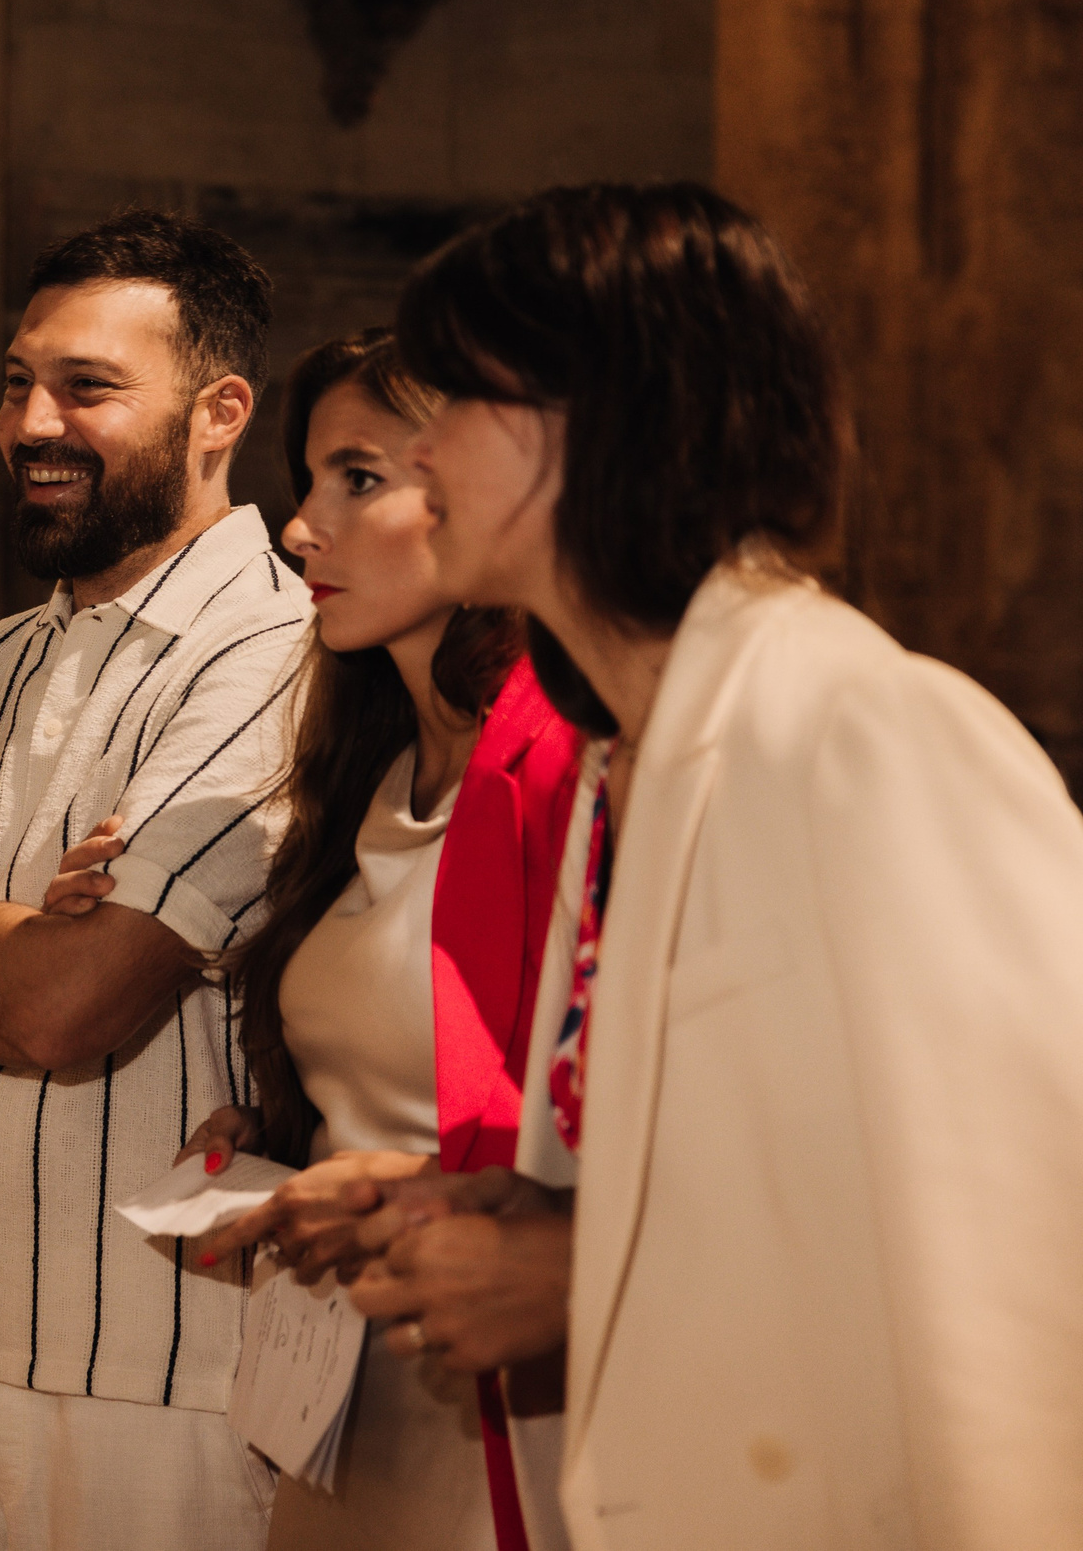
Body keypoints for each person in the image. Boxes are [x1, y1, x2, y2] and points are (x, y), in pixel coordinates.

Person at [342, 181, 1083, 1548]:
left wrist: (579, 1278)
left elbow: (1028, 1238)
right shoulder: (620, 760)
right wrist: (551, 1213)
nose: (420, 445)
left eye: (459, 396)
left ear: (606, 411)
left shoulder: (863, 726)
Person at [0, 209, 307, 1551]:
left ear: (218, 413)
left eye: (87, 387)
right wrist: (13, 954)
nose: (32, 422)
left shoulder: (278, 645)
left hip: (177, 1361)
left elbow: (63, 1007)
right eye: (17, 382)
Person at [182, 330, 580, 1551]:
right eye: (309, 482)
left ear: (480, 490)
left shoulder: (562, 769)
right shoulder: (367, 768)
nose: (301, 529)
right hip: (343, 1386)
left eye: (357, 479)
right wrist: (278, 1141)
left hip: (503, 1386)